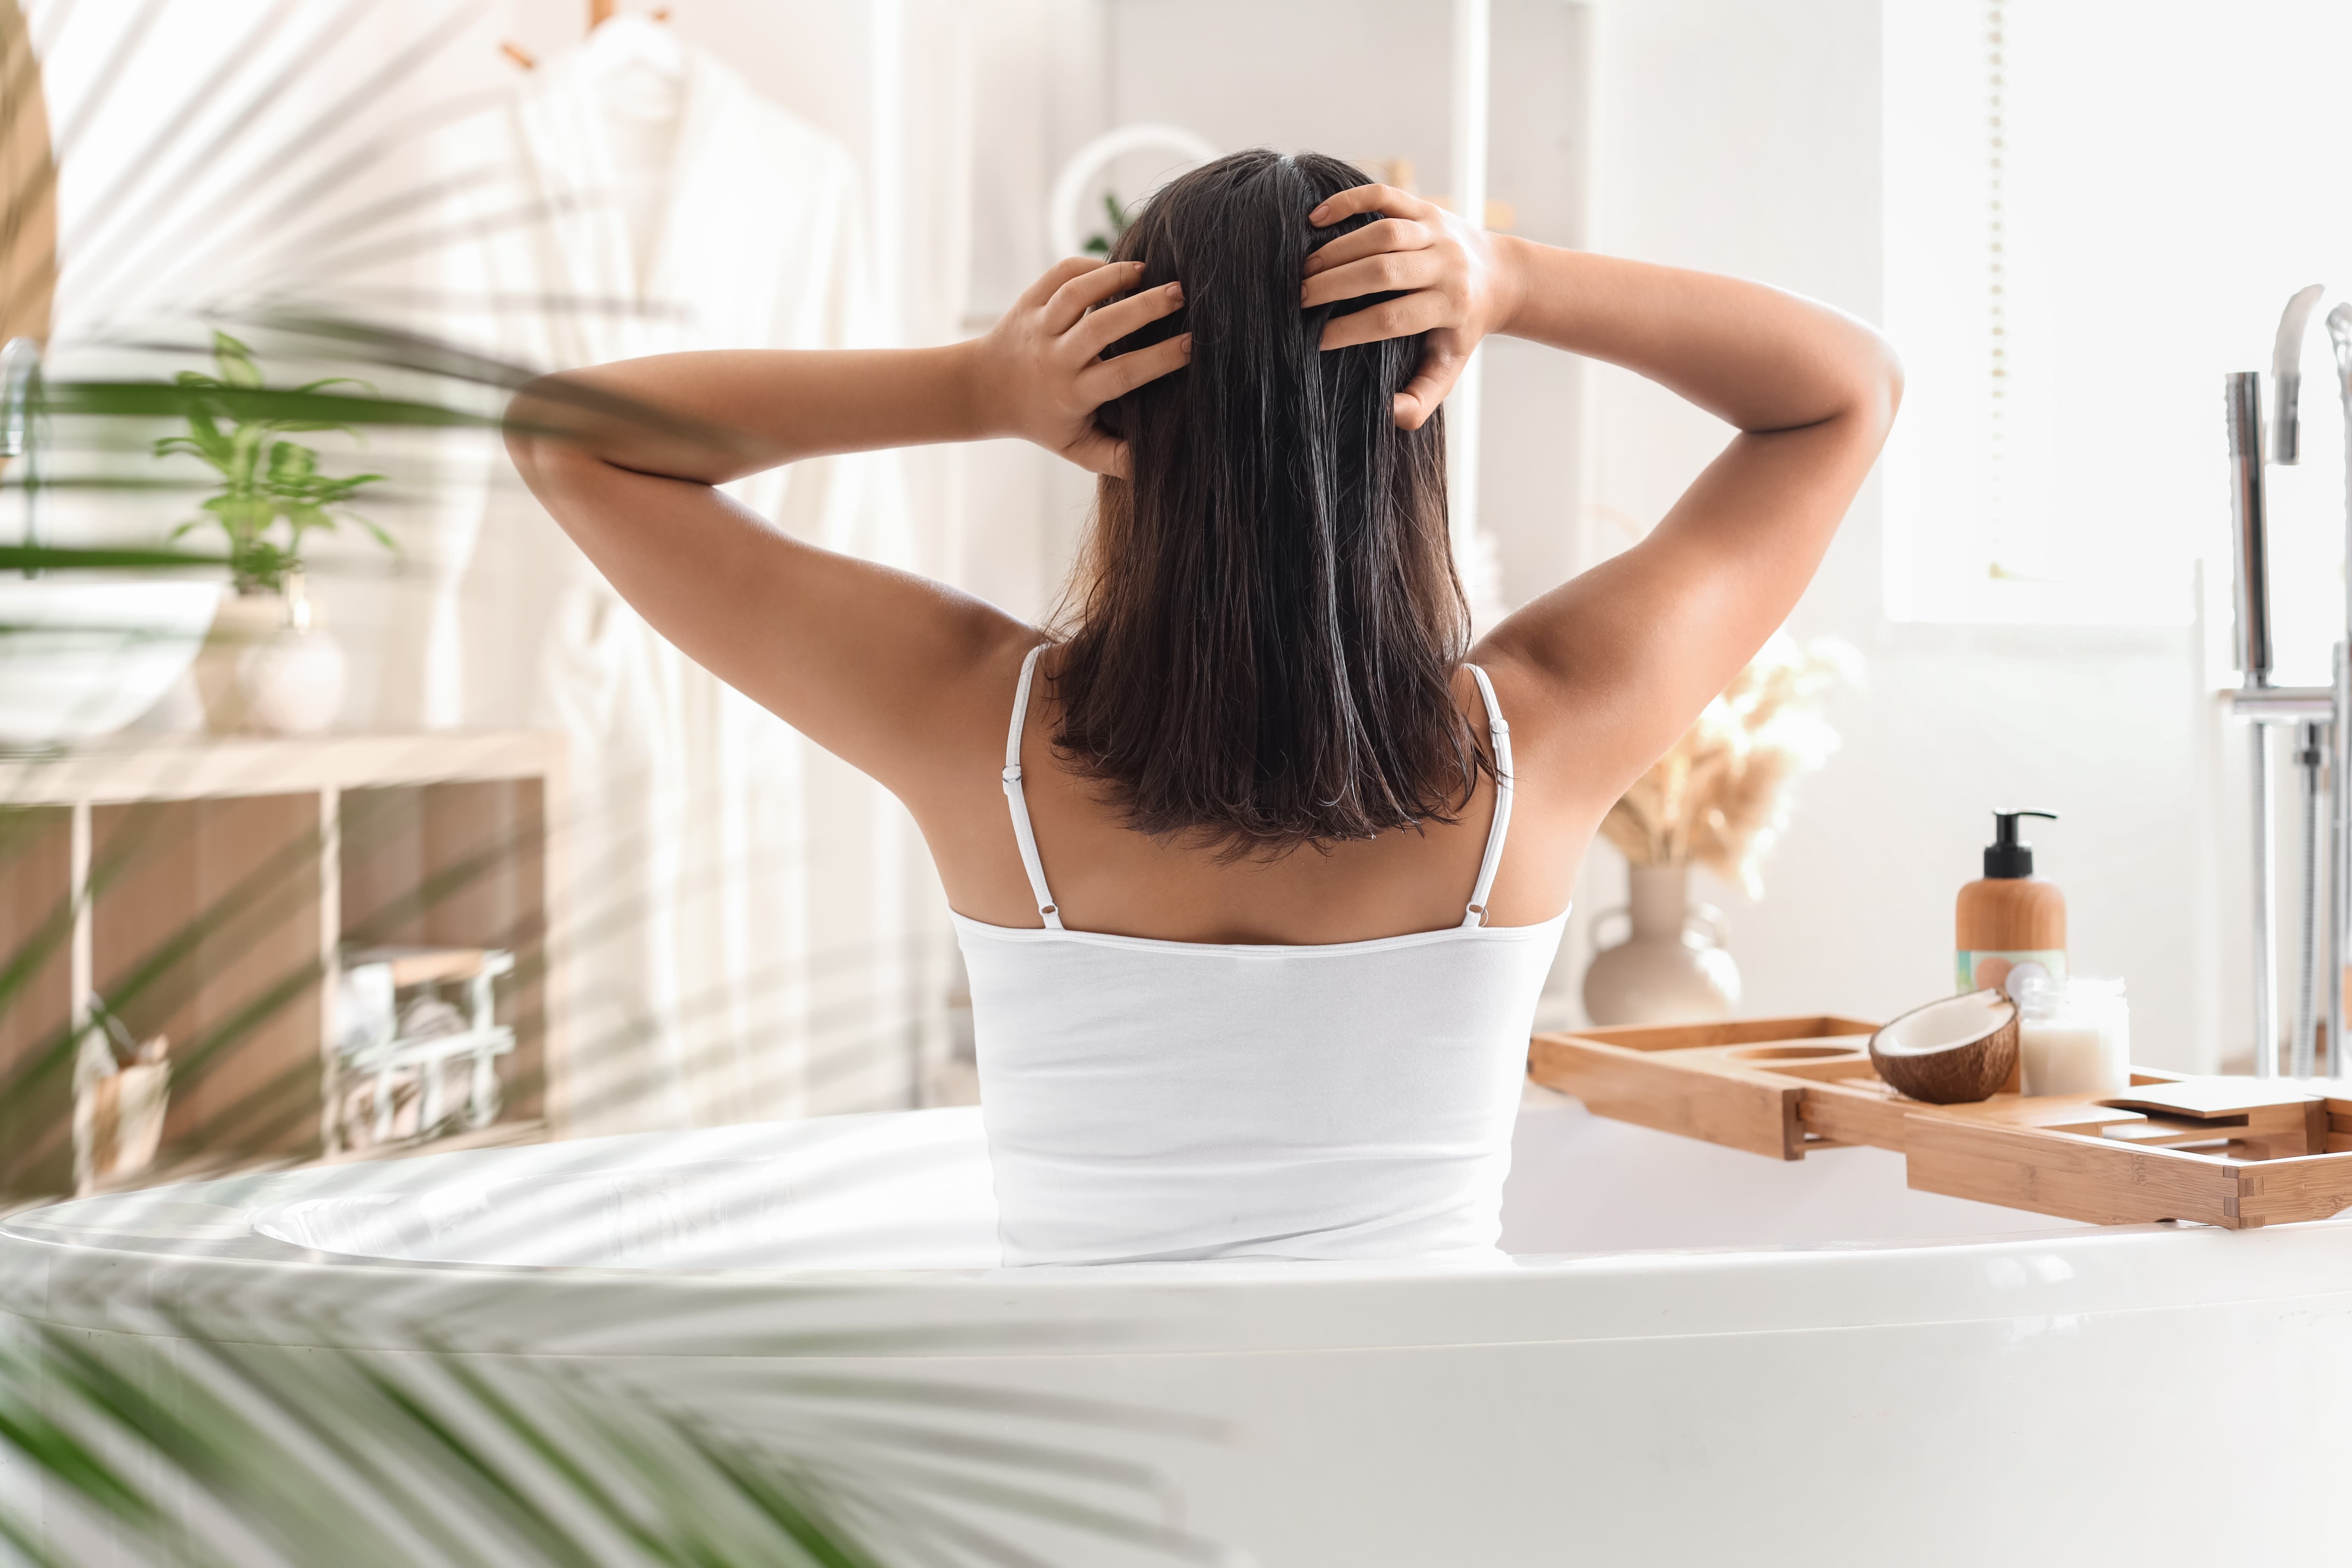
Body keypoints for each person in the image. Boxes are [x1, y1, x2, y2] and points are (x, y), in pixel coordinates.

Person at [507, 149, 1900, 1265]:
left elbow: (571, 437)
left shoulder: (969, 724)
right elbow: (1844, 394)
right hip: (1440, 1481)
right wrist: (1513, 278)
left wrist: (976, 384)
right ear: (1410, 409)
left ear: (1122, 417)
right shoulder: (1540, 736)